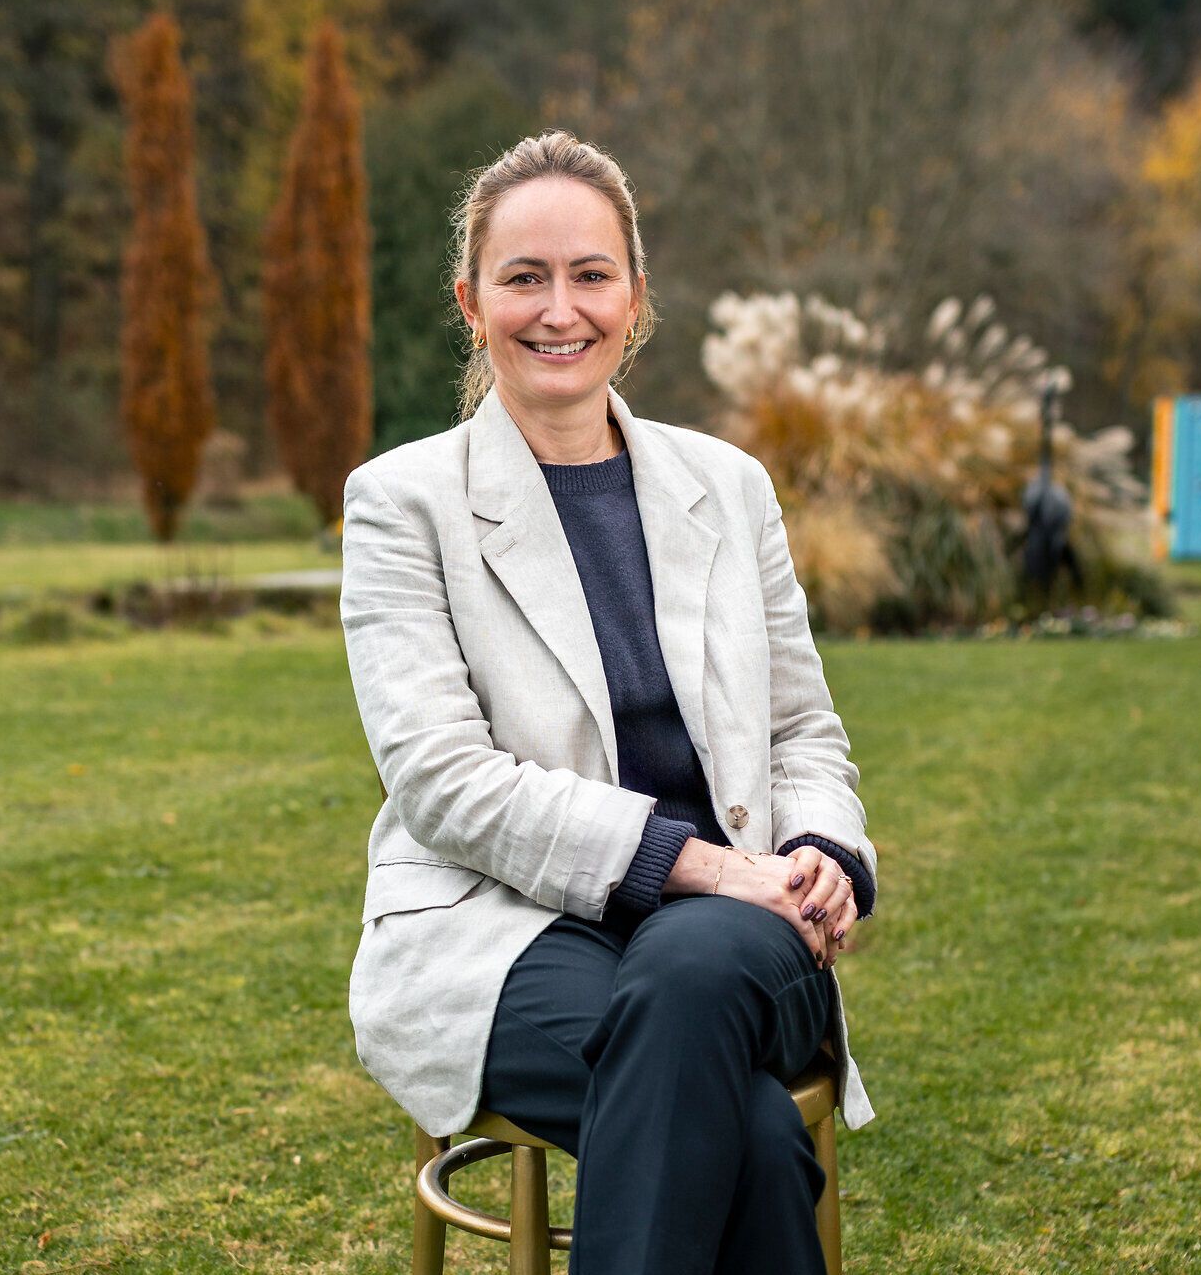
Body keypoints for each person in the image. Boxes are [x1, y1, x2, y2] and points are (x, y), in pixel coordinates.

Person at [341, 130, 879, 1275]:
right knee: (746, 1136)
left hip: (739, 934)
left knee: (689, 977)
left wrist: (825, 846)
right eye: (523, 277)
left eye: (590, 274)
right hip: (495, 932)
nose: (558, 309)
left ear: (635, 297)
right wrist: (704, 866)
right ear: (470, 301)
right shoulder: (402, 505)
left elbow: (801, 730)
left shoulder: (728, 488)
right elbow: (443, 783)